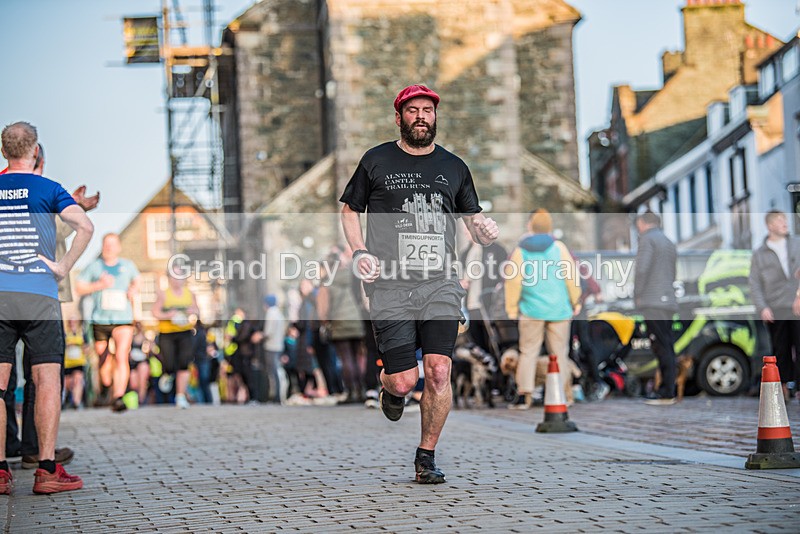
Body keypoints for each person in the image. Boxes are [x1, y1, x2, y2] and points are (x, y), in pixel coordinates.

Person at [339, 84, 499, 483]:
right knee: (405, 378)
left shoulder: (455, 167)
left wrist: (485, 230)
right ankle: (391, 390)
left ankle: (425, 456)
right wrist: (360, 252)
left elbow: (472, 224)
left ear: (435, 116)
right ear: (399, 117)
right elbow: (348, 211)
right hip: (390, 284)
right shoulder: (375, 160)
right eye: (413, 111)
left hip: (440, 283)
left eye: (428, 110)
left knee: (440, 370)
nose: (421, 116)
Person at [0, 121, 93, 494]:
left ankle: (1, 473)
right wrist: (63, 267)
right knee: (47, 381)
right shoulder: (49, 188)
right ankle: (47, 470)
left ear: (5, 151)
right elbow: (84, 226)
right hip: (39, 293)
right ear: (35, 150)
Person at [504, 209, 581, 409]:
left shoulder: (521, 251)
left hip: (531, 310)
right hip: (559, 310)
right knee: (559, 354)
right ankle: (564, 395)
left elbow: (513, 281)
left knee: (528, 352)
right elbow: (571, 277)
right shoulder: (559, 248)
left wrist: (511, 308)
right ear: (550, 227)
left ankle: (524, 396)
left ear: (530, 226)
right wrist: (576, 301)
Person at [749, 210, 800, 402]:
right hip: (776, 306)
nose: (785, 223)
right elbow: (754, 283)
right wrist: (763, 307)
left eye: (785, 219)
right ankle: (785, 386)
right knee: (781, 349)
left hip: (797, 304)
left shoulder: (796, 243)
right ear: (770, 225)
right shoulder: (760, 253)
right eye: (780, 220)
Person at [633, 211, 678, 406]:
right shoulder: (668, 241)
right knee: (667, 344)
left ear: (643, 223)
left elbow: (642, 269)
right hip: (667, 300)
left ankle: (666, 392)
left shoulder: (647, 240)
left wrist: (637, 293)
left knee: (660, 345)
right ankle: (668, 388)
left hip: (653, 300)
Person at [317, 245, 367, 403]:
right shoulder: (352, 277)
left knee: (346, 359)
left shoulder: (327, 283)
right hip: (357, 320)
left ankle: (351, 391)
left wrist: (325, 321)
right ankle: (362, 390)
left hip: (340, 322)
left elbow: (323, 310)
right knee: (358, 357)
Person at [151, 269, 199, 409]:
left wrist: (192, 312)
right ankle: (167, 373)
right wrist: (169, 315)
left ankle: (180, 396)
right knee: (170, 363)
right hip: (167, 333)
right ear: (170, 278)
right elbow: (155, 312)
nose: (177, 279)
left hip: (185, 332)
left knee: (184, 363)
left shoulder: (190, 294)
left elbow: (197, 310)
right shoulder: (164, 294)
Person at [252, 295, 287, 403]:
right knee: (276, 371)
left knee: (272, 372)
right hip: (278, 345)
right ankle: (277, 396)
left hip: (271, 346)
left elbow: (268, 332)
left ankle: (275, 396)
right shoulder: (279, 313)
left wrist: (259, 336)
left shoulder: (271, 313)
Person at [63, 317, 88, 410]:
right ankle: (64, 401)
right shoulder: (65, 334)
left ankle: (76, 402)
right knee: (67, 383)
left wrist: (82, 347)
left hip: (78, 362)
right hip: (67, 363)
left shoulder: (82, 333)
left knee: (78, 380)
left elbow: (87, 348)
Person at [129, 322, 151, 405]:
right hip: (132, 362)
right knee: (133, 383)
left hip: (142, 360)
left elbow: (150, 349)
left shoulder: (145, 337)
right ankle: (135, 398)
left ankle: (141, 400)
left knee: (143, 380)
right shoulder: (130, 336)